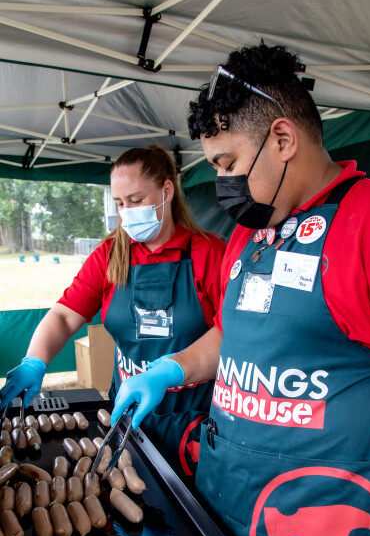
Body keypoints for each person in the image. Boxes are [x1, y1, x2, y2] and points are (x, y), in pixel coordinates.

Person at [109, 45, 370, 536]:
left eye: (228, 163)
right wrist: (170, 369)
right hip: (228, 510)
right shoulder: (248, 234)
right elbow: (230, 333)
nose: (222, 182)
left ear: (282, 139)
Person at [0, 144, 226, 478]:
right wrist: (35, 360)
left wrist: (169, 371)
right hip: (125, 415)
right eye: (120, 203)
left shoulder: (210, 253)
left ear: (166, 191)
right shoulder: (109, 255)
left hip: (195, 422)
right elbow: (64, 315)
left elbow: (233, 333)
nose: (127, 212)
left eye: (136, 200)